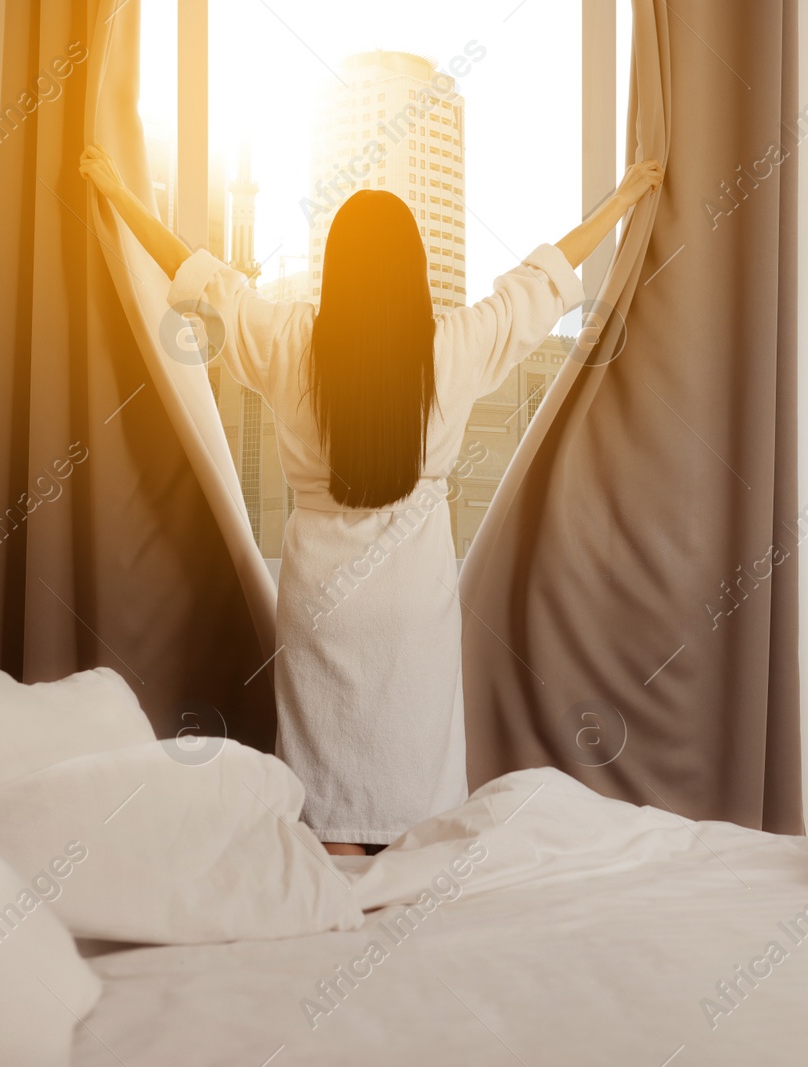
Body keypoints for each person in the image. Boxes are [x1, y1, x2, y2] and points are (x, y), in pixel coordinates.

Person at [81, 145, 663, 854]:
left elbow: (199, 275)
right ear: (412, 274)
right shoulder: (453, 346)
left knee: (328, 805)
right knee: (416, 804)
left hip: (322, 598)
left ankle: (331, 871)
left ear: (337, 271)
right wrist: (625, 197)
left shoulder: (291, 342)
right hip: (413, 601)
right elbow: (541, 280)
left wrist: (115, 188)